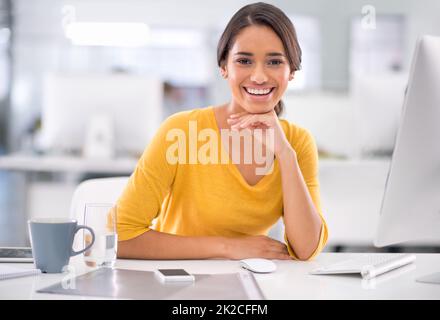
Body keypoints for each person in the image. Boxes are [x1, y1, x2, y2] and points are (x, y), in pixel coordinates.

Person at [117, 2, 328, 261]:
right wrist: (229, 247)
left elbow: (306, 249)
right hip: (179, 283)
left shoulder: (297, 142)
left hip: (249, 286)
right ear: (224, 67)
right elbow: (119, 235)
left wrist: (285, 153)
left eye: (274, 61)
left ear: (291, 71)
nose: (259, 76)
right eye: (244, 60)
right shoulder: (181, 131)